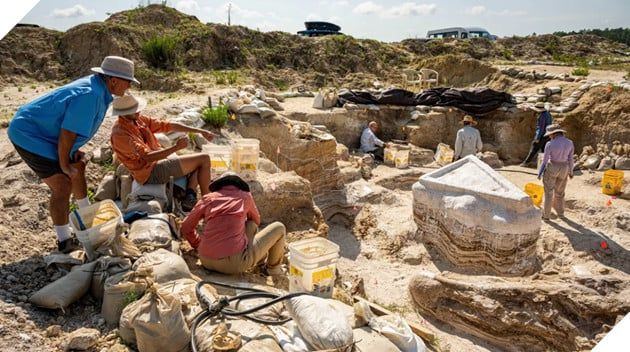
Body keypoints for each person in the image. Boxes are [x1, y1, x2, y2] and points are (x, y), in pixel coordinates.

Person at [7, 56, 137, 253]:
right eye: (128, 82)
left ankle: (87, 217)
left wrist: (73, 155)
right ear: (114, 80)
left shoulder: (100, 91)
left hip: (47, 133)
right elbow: (67, 133)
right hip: (30, 134)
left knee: (78, 166)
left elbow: (71, 130)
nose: (129, 87)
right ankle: (64, 241)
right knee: (63, 184)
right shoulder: (91, 95)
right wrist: (64, 164)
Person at [110, 94, 214, 211]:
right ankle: (208, 204)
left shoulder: (138, 120)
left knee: (197, 160)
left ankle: (189, 195)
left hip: (157, 161)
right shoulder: (120, 134)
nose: (139, 112)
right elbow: (147, 157)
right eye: (135, 111)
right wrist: (175, 148)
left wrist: (199, 131)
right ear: (123, 113)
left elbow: (168, 125)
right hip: (149, 172)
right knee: (204, 159)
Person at [181, 172, 287, 276]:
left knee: (249, 225)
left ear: (219, 185)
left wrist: (197, 244)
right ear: (239, 185)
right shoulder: (245, 196)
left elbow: (186, 227)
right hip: (234, 264)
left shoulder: (208, 198)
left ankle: (259, 261)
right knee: (278, 227)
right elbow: (256, 220)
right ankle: (273, 270)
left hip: (206, 260)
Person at [537, 124, 574, 221]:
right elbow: (571, 159)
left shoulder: (550, 144)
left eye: (549, 134)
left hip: (552, 167)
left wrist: (540, 172)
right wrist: (571, 171)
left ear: (553, 134)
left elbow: (544, 161)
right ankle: (561, 213)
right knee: (560, 193)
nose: (549, 136)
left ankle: (546, 216)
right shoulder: (570, 143)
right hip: (564, 168)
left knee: (548, 192)